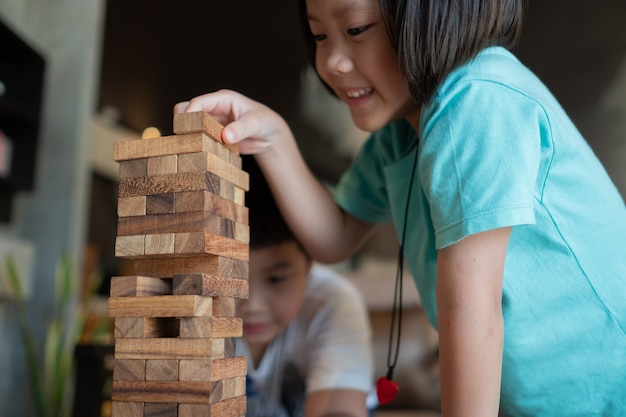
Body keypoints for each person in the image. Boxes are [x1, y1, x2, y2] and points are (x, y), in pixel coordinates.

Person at [174, 0, 626, 415]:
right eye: (319, 36)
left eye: (356, 28)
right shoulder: (399, 131)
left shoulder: (477, 98)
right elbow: (335, 237)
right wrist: (273, 138)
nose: (330, 61)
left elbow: (470, 307)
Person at [235, 156, 373, 417]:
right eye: (231, 277)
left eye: (276, 279)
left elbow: (340, 411)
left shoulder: (333, 303)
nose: (252, 304)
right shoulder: (197, 310)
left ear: (310, 263)